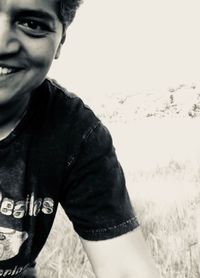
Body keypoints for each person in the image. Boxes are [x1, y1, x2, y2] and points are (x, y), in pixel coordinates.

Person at [0, 0, 160, 277]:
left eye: (32, 24)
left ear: (60, 41)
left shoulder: (75, 132)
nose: (2, 43)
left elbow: (125, 268)